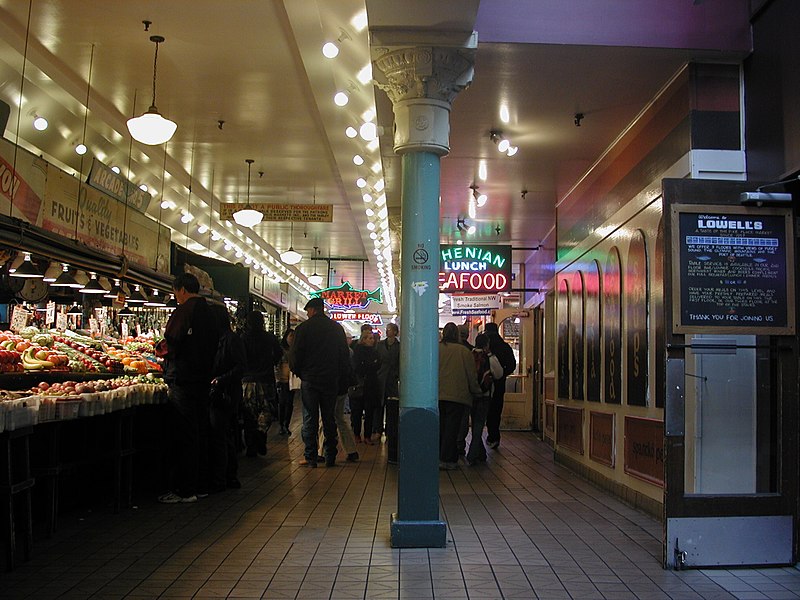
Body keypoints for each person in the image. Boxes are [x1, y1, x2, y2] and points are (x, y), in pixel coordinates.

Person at [158, 272, 220, 504]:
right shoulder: (210, 313)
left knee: (184, 433)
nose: (176, 297)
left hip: (183, 379)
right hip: (203, 380)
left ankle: (184, 489)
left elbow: (171, 343)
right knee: (201, 430)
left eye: (176, 292)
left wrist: (160, 350)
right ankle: (201, 484)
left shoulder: (183, 311)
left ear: (182, 289)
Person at [289, 297, 351, 468]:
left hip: (310, 379)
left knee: (310, 417)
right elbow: (344, 356)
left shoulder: (303, 329)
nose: (307, 313)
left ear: (312, 310)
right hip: (330, 380)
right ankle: (330, 455)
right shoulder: (336, 328)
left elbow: (295, 355)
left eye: (307, 310)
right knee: (329, 417)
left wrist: (301, 373)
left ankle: (311, 457)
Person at [208, 303, 246, 491]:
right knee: (222, 434)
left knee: (220, 434)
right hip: (220, 392)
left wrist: (220, 380)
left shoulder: (231, 340)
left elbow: (240, 367)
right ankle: (225, 475)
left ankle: (223, 477)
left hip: (226, 394)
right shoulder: (216, 338)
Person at [438, 322, 482, 470]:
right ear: (456, 334)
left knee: (440, 427)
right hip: (457, 396)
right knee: (452, 428)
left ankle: (438, 456)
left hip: (437, 396)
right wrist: (476, 391)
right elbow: (471, 375)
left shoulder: (435, 350)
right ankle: (448, 459)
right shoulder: (464, 352)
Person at [240, 311, 282, 457]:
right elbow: (278, 354)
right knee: (267, 411)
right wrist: (271, 362)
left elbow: (240, 358)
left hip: (247, 381)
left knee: (249, 413)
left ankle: (251, 445)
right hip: (266, 379)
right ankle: (260, 435)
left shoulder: (243, 338)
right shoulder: (269, 338)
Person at [466, 333, 503, 466]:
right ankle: (471, 455)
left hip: (471, 395)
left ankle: (481, 454)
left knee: (476, 422)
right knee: (479, 426)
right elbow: (499, 374)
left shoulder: (468, 356)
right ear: (487, 344)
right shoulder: (489, 358)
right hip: (484, 395)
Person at [484, 321, 517, 450]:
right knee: (496, 410)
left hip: (484, 384)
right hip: (499, 384)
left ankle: (480, 440)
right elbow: (512, 365)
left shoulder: (484, 347)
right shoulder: (505, 347)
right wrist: (502, 373)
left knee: (483, 410)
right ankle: (494, 436)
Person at [350, 329, 381, 444]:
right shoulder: (358, 351)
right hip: (361, 385)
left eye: (372, 338)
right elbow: (359, 367)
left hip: (370, 385)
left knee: (369, 412)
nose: (372, 340)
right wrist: (371, 365)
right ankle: (357, 434)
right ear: (363, 340)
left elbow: (377, 364)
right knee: (357, 412)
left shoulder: (374, 351)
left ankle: (367, 435)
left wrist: (368, 365)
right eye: (369, 338)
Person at [375, 322, 400, 440]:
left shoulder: (399, 347)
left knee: (392, 406)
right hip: (381, 378)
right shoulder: (380, 345)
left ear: (395, 332)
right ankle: (378, 429)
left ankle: (391, 430)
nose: (387, 331)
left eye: (389, 329)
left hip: (392, 380)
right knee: (379, 405)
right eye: (387, 329)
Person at [275, 328, 295, 435]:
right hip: (282, 379)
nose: (292, 338)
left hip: (292, 380)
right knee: (282, 402)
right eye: (291, 336)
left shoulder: (295, 350)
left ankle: (286, 424)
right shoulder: (281, 350)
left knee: (289, 403)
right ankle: (282, 425)